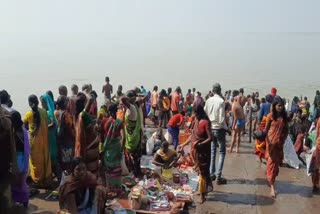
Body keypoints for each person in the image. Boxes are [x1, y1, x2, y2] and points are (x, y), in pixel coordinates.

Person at [180, 105, 213, 204]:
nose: (193, 115)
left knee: (203, 173)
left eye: (195, 113)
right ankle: (203, 190)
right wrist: (184, 144)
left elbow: (210, 138)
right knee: (199, 172)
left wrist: (200, 144)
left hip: (203, 152)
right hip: (195, 152)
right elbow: (192, 135)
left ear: (199, 113)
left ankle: (203, 195)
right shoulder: (196, 121)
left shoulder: (206, 122)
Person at [24, 95, 52, 187]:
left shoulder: (28, 114)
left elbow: (24, 128)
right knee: (45, 160)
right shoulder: (44, 112)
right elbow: (47, 124)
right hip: (44, 142)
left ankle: (37, 181)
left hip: (34, 143)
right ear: (38, 102)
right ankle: (46, 181)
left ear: (29, 103)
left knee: (35, 163)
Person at [204, 83, 229, 185]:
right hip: (219, 129)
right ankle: (218, 176)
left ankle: (211, 174)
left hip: (211, 128)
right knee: (222, 152)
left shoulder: (209, 100)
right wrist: (227, 129)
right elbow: (221, 119)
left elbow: (205, 113)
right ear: (220, 90)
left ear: (213, 91)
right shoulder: (221, 101)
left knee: (213, 151)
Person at [265, 96, 289, 198]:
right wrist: (268, 141)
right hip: (270, 143)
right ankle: (272, 187)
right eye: (279, 106)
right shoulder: (270, 116)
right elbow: (266, 130)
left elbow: (286, 130)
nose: (281, 108)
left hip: (279, 143)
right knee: (271, 163)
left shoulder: (284, 118)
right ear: (274, 106)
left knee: (276, 164)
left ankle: (270, 178)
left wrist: (282, 139)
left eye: (282, 106)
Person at [100, 103, 125, 195]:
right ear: (116, 111)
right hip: (116, 148)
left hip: (108, 149)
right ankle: (117, 189)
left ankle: (109, 189)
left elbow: (102, 138)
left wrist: (102, 149)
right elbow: (124, 138)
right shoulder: (119, 122)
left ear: (108, 111)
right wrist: (121, 150)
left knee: (108, 169)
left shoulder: (103, 121)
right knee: (116, 169)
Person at [75, 93, 100, 176]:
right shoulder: (83, 115)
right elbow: (91, 99)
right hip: (89, 148)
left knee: (89, 171)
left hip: (89, 146)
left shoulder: (79, 116)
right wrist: (86, 93)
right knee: (91, 172)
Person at [0, 104, 17, 213]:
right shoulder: (7, 121)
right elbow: (12, 146)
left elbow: (11, 146)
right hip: (5, 163)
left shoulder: (6, 122)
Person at [11, 111, 30, 207]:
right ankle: (25, 200)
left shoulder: (13, 133)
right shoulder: (24, 131)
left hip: (17, 159)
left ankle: (19, 199)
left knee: (16, 181)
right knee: (22, 181)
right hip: (24, 159)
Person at [120, 92, 142, 178]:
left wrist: (126, 97)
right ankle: (137, 172)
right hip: (134, 134)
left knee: (133, 157)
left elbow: (123, 100)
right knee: (135, 157)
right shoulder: (135, 106)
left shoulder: (132, 108)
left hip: (132, 137)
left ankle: (135, 174)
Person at [55, 96, 75, 173]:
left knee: (62, 158)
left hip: (60, 139)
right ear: (64, 103)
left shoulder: (56, 112)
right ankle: (68, 175)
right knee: (68, 160)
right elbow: (70, 127)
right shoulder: (66, 114)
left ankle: (64, 175)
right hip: (68, 139)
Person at [40, 93, 58, 176]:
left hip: (50, 136)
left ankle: (54, 172)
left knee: (51, 153)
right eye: (41, 102)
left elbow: (53, 124)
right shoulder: (44, 112)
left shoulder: (50, 112)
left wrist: (43, 128)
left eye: (42, 102)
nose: (41, 104)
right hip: (47, 136)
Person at [255, 94, 273, 161]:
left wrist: (258, 125)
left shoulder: (263, 105)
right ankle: (268, 156)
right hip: (270, 125)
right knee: (268, 141)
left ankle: (260, 156)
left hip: (263, 125)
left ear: (266, 99)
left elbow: (260, 116)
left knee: (260, 141)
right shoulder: (272, 106)